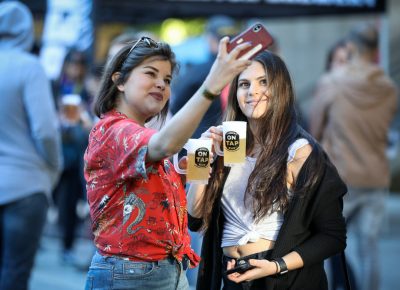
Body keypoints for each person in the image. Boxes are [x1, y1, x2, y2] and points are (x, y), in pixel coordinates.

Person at [83, 35, 252, 289]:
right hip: (131, 275)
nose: (161, 84)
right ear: (119, 81)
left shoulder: (141, 136)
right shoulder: (112, 130)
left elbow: (178, 201)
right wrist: (211, 87)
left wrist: (201, 152)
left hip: (169, 271)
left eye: (167, 79)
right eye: (151, 73)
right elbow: (165, 145)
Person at [187, 50, 348, 290]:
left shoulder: (299, 151)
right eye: (244, 84)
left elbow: (332, 236)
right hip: (230, 274)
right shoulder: (230, 144)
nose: (252, 91)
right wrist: (201, 157)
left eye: (264, 82)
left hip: (280, 277)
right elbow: (195, 219)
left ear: (281, 89)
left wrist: (276, 266)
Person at [310, 23, 398, 290]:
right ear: (374, 50)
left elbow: (314, 131)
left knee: (325, 243)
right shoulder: (389, 87)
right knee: (369, 250)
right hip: (376, 177)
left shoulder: (333, 82)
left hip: (341, 179)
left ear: (350, 48)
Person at [0, 2, 63, 290]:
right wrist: (53, 165)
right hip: (25, 186)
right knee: (15, 272)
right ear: (26, 31)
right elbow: (45, 130)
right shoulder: (29, 67)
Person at [170, 15, 238, 138]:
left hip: (206, 143)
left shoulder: (197, 72)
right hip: (212, 142)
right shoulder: (245, 69)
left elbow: (175, 108)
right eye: (222, 41)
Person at [53, 94, 91, 265]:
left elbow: (83, 142)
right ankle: (64, 245)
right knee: (63, 210)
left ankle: (67, 246)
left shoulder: (82, 126)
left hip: (75, 176)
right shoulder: (58, 124)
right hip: (60, 174)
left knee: (71, 212)